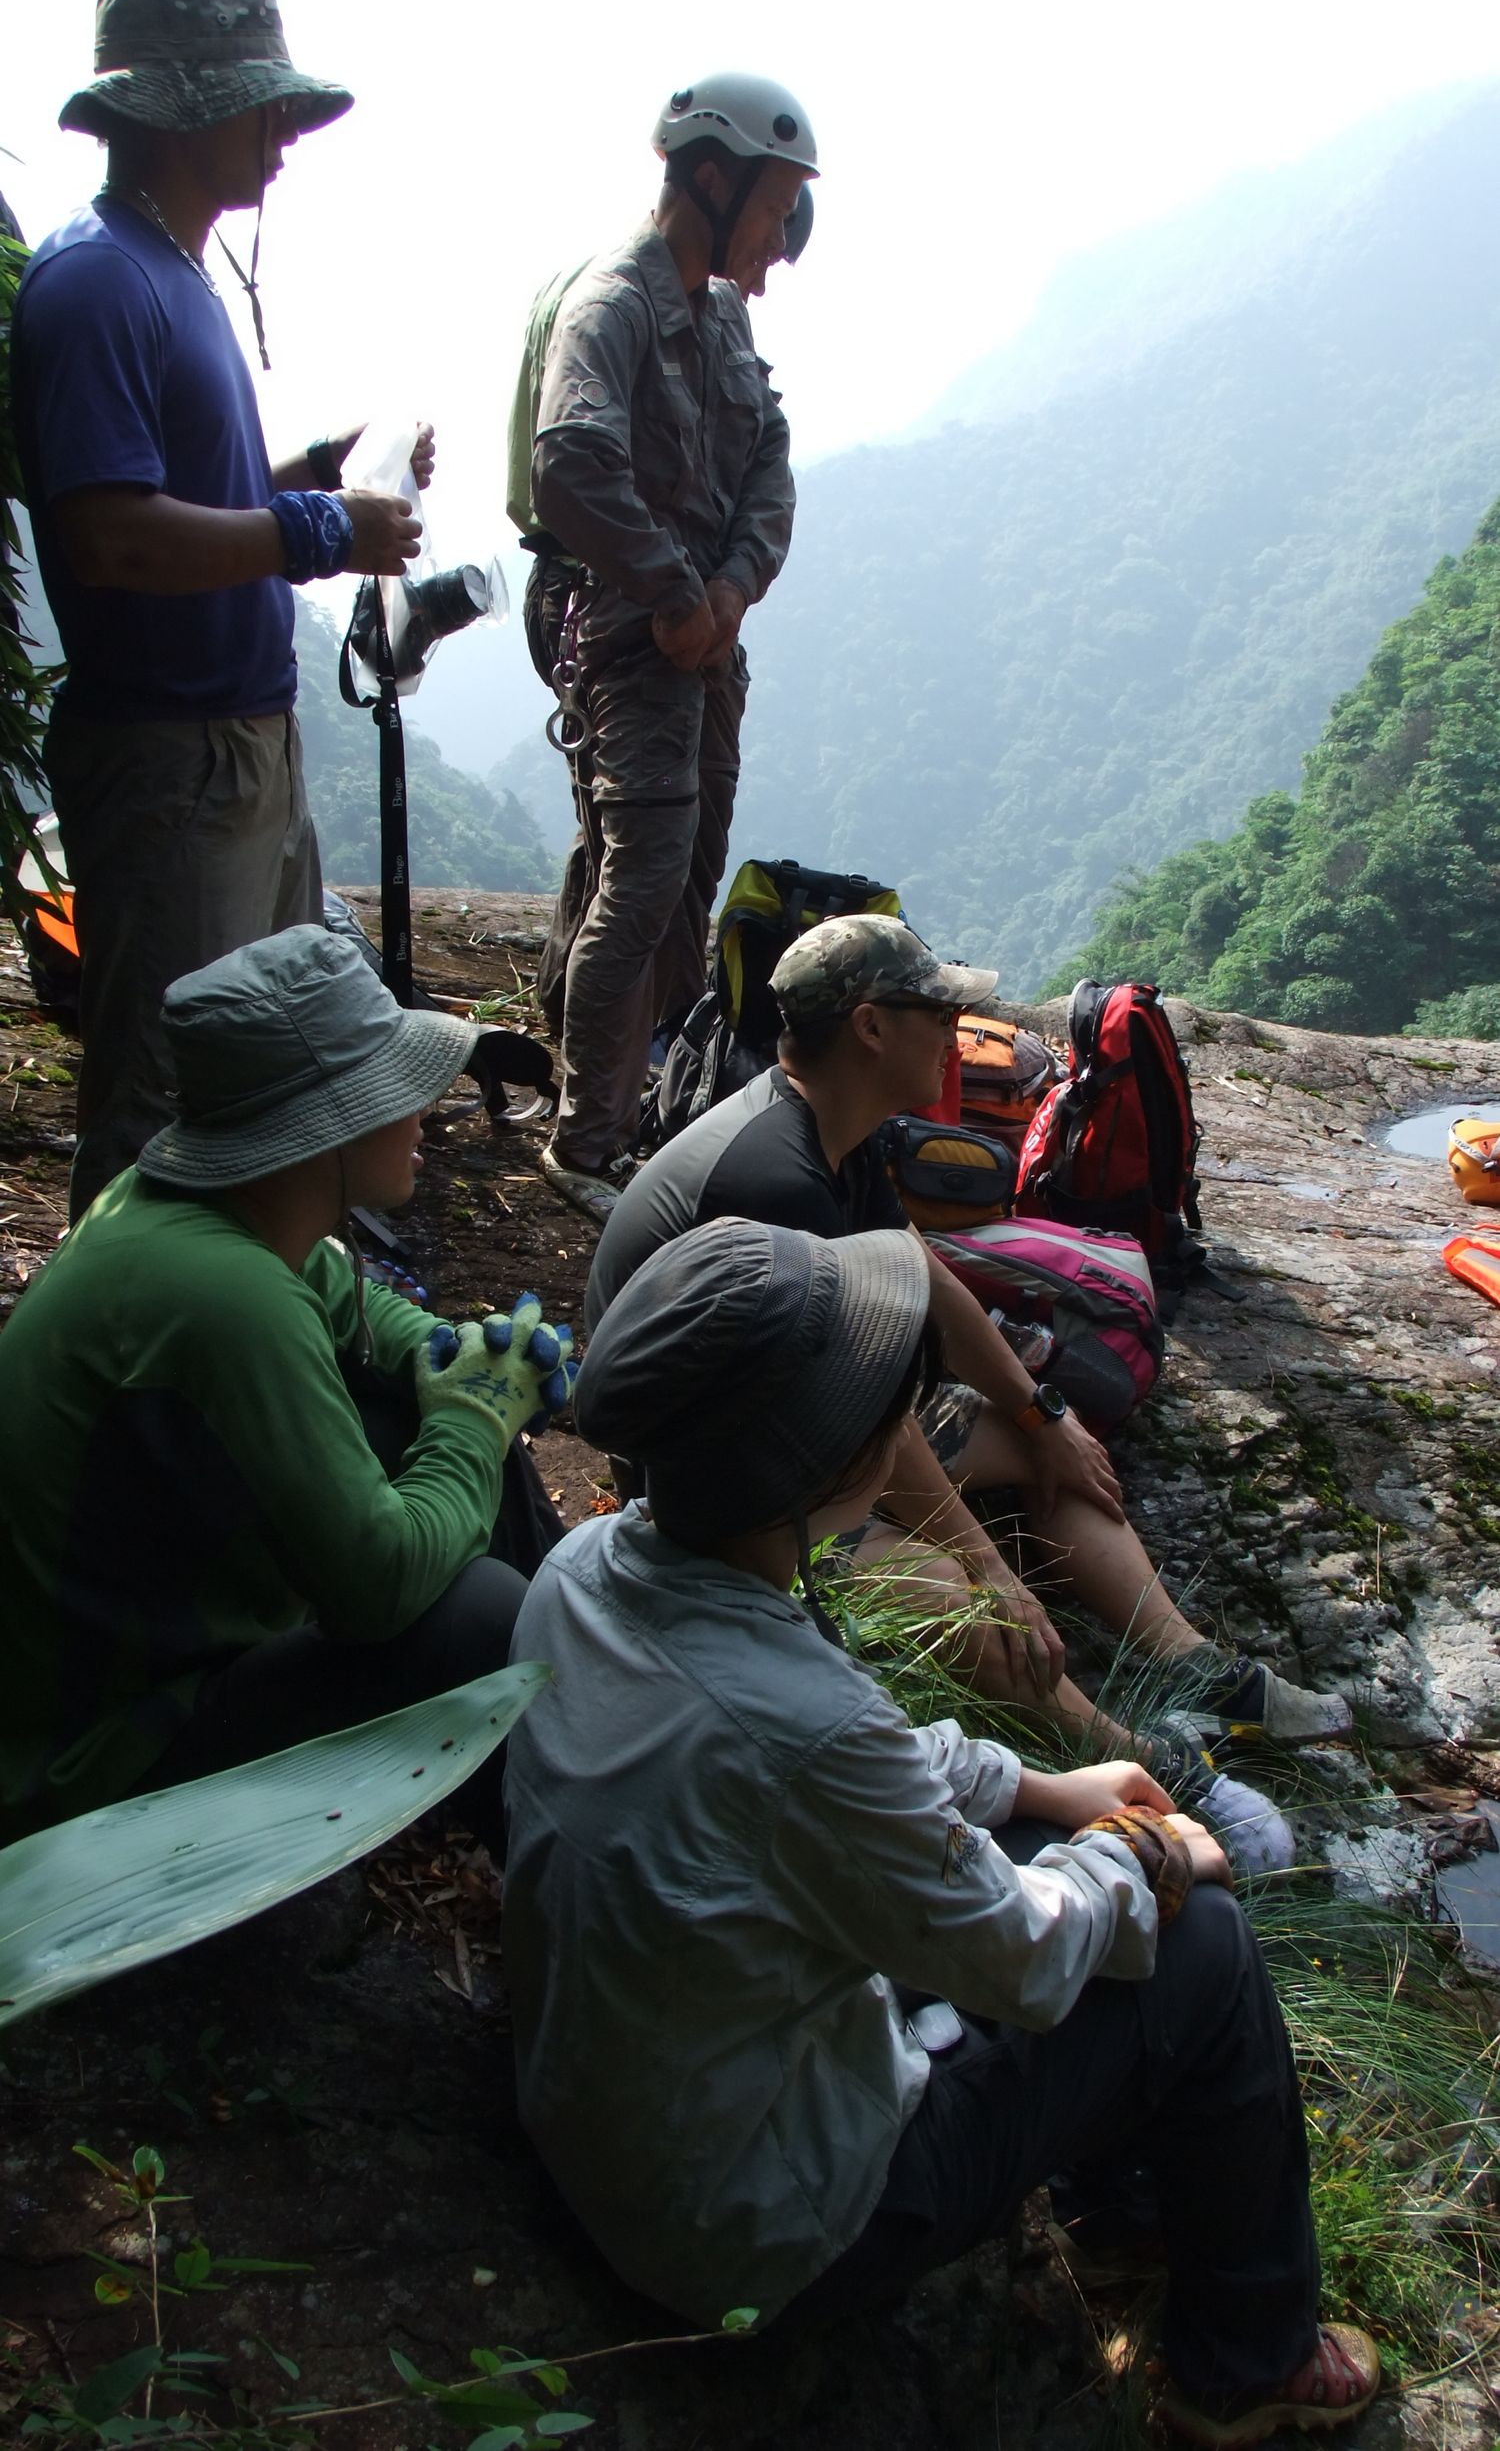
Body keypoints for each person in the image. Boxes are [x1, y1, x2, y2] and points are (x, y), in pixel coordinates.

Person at [503, 1217, 1381, 2441]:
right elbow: (1017, 1953)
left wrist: (1041, 1789)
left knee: (1103, 1896)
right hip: (763, 2230)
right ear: (830, 1461)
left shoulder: (589, 1566)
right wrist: (1145, 1853)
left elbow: (834, 1775)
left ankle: (1128, 2199)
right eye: (883, 1398)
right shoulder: (801, 1722)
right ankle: (1248, 2359)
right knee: (1206, 1948)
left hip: (631, 2123)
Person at [588, 916, 1352, 1786]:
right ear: (871, 1027)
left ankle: (1196, 1668)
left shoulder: (837, 1120)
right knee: (958, 1601)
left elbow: (920, 1269)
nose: (959, 1034)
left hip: (796, 1418)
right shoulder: (772, 1177)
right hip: (715, 1484)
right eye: (939, 1012)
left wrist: (1044, 1412)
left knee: (1052, 1453)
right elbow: (850, 1403)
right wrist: (989, 1570)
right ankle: (1147, 1767)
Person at [11, 0, 435, 1221]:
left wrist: (315, 471)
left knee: (268, 1082)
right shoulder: (96, 282)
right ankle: (110, 1396)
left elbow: (180, 483)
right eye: (265, 110)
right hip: (170, 762)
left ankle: (227, 1358)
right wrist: (318, 524)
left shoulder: (167, 269)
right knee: (160, 1099)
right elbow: (110, 538)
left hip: (239, 746)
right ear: (188, 106)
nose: (283, 144)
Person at [0, 925, 575, 1852]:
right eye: (400, 1092)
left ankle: (597, 1686)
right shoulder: (226, 1297)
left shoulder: (194, 1215)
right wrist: (476, 1411)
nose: (427, 1113)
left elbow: (354, 1313)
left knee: (418, 1419)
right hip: (91, 1767)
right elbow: (380, 1589)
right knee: (475, 1620)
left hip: (119, 1675)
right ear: (331, 1120)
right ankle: (589, 1857)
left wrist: (467, 1351)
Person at [527, 73, 817, 1223]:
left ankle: (649, 1093)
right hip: (630, 635)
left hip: (705, 640)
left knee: (681, 872)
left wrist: (732, 589)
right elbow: (570, 463)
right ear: (713, 176)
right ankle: (583, 1143)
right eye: (774, 205)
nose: (784, 238)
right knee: (641, 879)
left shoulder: (725, 316)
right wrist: (671, 587)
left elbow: (772, 469)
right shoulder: (616, 306)